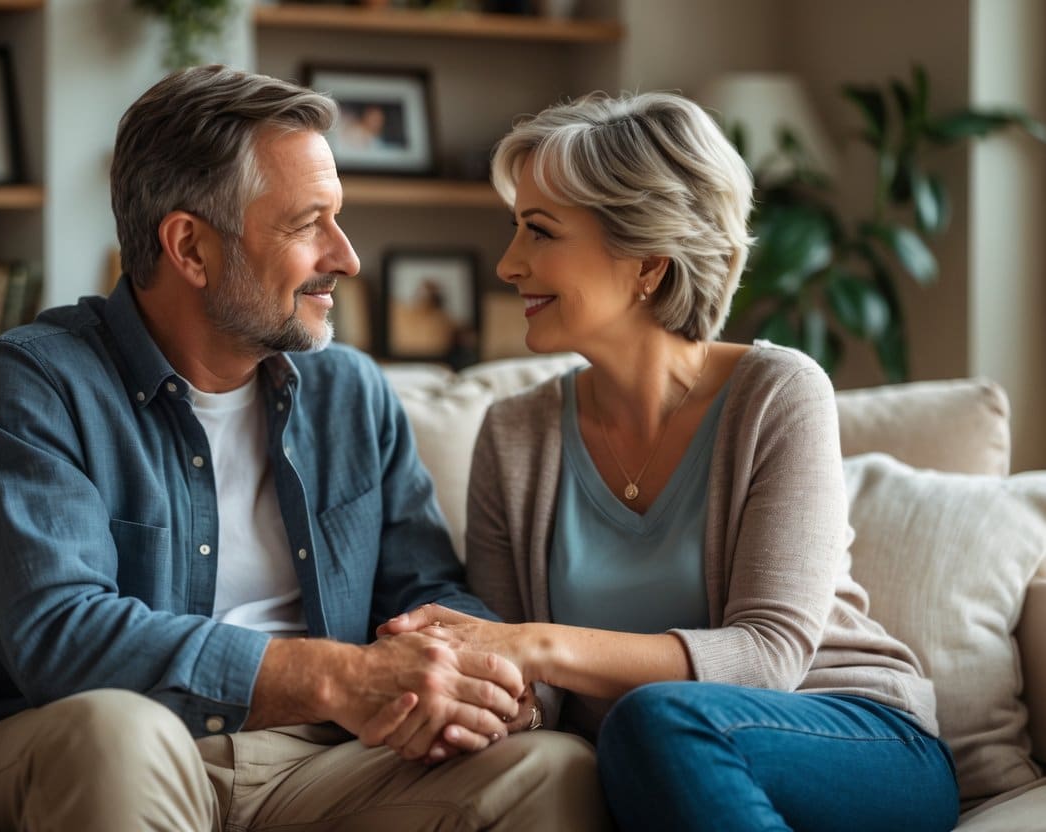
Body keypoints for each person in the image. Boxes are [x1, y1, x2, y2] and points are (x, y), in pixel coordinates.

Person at [0, 66, 608, 832]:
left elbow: (423, 591)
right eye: (307, 223)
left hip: (316, 764)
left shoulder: (350, 391)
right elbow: (61, 637)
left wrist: (485, 682)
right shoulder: (37, 380)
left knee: (548, 769)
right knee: (121, 733)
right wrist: (336, 677)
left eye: (339, 218)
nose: (346, 257)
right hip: (79, 744)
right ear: (190, 247)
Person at [378, 91, 960, 831]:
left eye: (538, 232)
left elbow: (768, 655)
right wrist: (487, 693)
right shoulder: (513, 434)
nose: (507, 264)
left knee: (656, 721)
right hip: (655, 766)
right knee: (640, 732)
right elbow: (535, 684)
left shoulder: (777, 394)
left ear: (645, 262)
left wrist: (530, 645)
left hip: (849, 740)